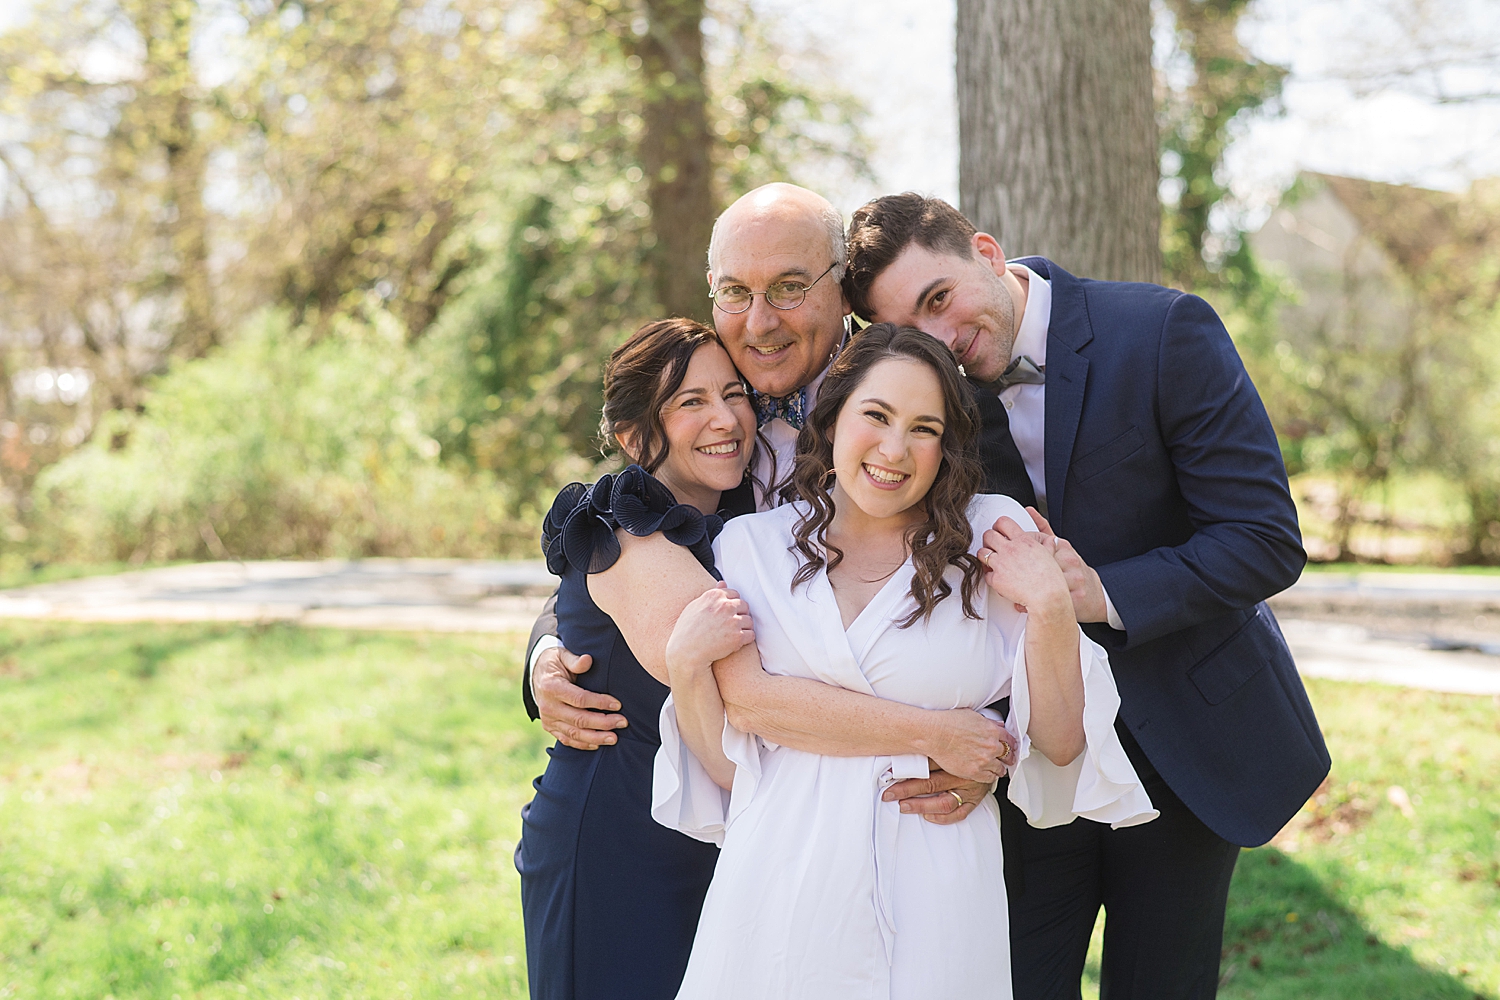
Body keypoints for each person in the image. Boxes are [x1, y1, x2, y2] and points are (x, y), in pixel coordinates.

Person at [840, 193, 1331, 999]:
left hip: (1184, 740)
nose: (941, 340)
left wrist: (1101, 592)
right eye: (910, 327)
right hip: (1029, 763)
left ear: (988, 253)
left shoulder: (1165, 331)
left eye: (940, 299)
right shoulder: (923, 400)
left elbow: (1263, 538)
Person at [652, 324, 1156, 999]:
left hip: (936, 884)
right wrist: (940, 733)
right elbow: (731, 765)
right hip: (777, 883)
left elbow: (1062, 744)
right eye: (876, 416)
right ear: (830, 421)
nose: (895, 449)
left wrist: (1052, 609)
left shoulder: (992, 535)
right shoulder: (751, 549)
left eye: (924, 428)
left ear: (947, 448)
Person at [522, 185, 1019, 830]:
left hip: (907, 809)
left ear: (844, 291)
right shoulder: (708, 400)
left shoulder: (931, 398)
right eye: (736, 292)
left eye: (789, 288)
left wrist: (987, 741)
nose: (759, 322)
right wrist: (545, 651)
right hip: (706, 798)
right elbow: (623, 536)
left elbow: (1013, 593)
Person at [515, 318, 761, 1000]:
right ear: (633, 438)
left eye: (734, 392)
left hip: (710, 841)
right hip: (617, 848)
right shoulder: (624, 528)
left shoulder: (744, 512)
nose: (725, 417)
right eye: (690, 402)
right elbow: (748, 694)